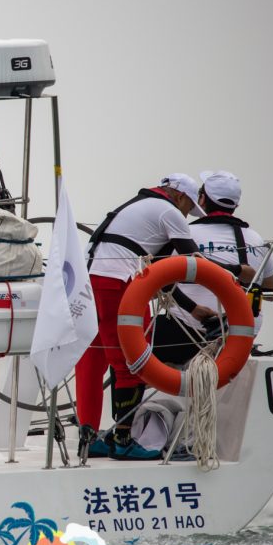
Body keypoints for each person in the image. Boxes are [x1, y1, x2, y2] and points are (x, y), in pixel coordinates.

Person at [77, 173, 205, 460]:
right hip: (114, 284)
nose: (188, 215)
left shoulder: (136, 207)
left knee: (92, 359)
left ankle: (88, 438)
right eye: (189, 207)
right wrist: (236, 277)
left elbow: (160, 275)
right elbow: (194, 262)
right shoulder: (170, 212)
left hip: (89, 283)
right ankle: (123, 441)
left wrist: (191, 308)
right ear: (180, 196)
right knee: (130, 361)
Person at [152, 171, 273, 366]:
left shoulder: (184, 234)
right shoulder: (256, 239)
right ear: (235, 205)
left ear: (201, 199)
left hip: (189, 331)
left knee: (127, 344)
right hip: (242, 333)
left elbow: (154, 276)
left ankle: (128, 396)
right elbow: (270, 284)